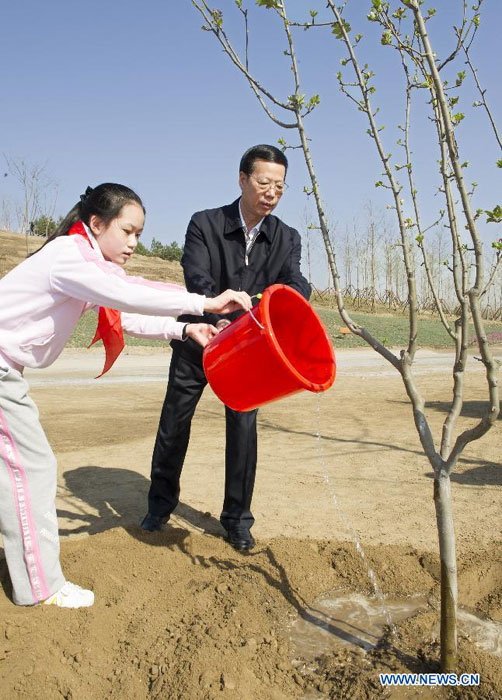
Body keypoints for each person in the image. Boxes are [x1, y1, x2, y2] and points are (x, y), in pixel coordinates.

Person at [0, 182, 251, 608]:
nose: (134, 243)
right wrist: (206, 303)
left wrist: (185, 328)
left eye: (139, 234)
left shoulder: (85, 262)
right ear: (97, 224)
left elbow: (123, 313)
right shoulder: (68, 257)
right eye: (128, 231)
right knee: (34, 469)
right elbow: (129, 292)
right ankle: (41, 587)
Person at [142, 145, 311, 551]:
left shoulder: (286, 237)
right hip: (198, 341)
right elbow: (196, 277)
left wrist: (286, 297)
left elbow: (296, 283)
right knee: (174, 425)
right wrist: (212, 315)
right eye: (264, 182)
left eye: (280, 186)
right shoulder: (205, 223)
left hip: (248, 353)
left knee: (243, 431)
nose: (272, 192)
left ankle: (237, 520)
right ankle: (159, 507)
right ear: (242, 179)